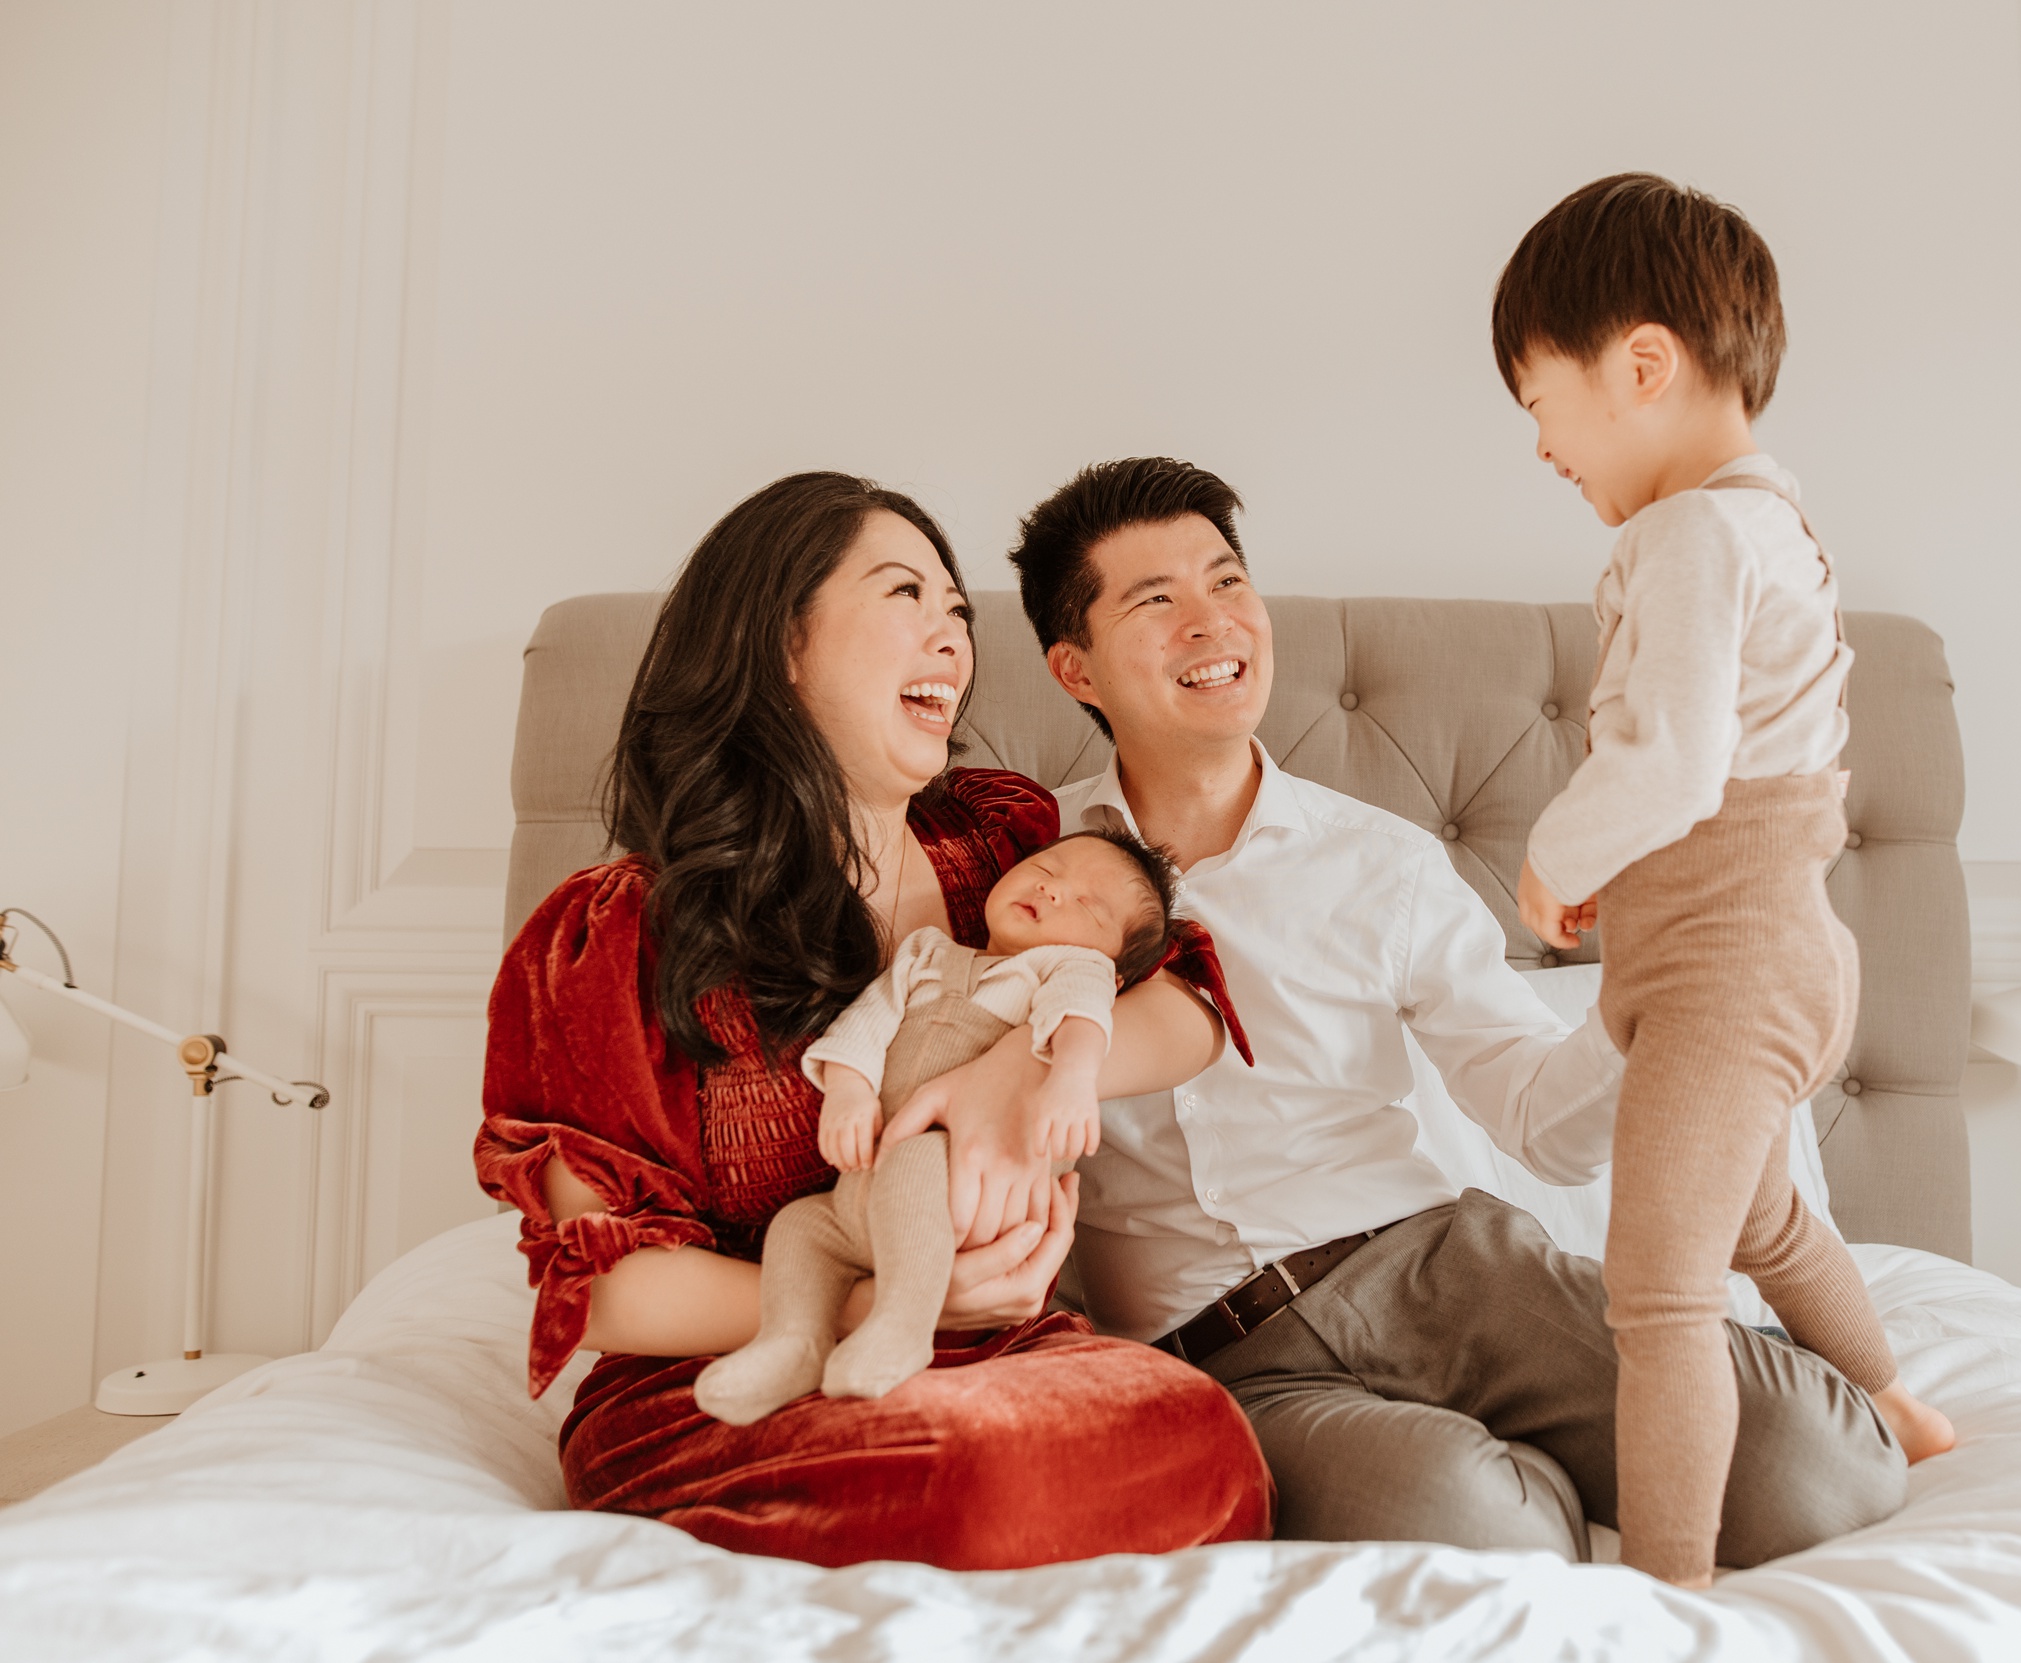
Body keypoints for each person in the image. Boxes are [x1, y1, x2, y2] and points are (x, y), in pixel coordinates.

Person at [900, 452, 1905, 1572]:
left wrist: (1650, 999)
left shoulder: (1380, 860)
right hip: (1228, 1353)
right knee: (1483, 1531)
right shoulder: (1018, 873)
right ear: (1073, 667)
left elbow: (1545, 1128)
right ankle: (1542, 1460)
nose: (1211, 621)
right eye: (1157, 600)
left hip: (1448, 1267)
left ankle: (1689, 1384)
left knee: (1824, 1475)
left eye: (1226, 582)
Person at [472, 471, 1270, 1572]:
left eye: (957, 611)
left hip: (999, 1345)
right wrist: (880, 1298)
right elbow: (608, 1289)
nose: (951, 638)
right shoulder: (613, 936)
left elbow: (1182, 996)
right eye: (907, 596)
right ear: (783, 641)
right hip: (734, 1378)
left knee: (1202, 1435)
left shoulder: (1001, 849)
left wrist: (1014, 1077)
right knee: (979, 1470)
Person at [1492, 172, 1956, 1585]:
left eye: (1541, 404)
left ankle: (1674, 1580)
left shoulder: (1693, 531)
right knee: (1759, 1218)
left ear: (1640, 364)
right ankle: (1898, 1404)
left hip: (1730, 969)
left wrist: (1552, 859)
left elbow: (1675, 764)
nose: (1541, 448)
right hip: (1745, 953)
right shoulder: (1770, 523)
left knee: (1662, 1289)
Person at [694, 828, 1186, 1421]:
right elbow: (867, 1024)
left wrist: (1071, 1080)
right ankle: (794, 1342)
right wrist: (849, 1091)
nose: (1054, 891)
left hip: (970, 1197)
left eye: (1088, 903)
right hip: (865, 1198)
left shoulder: (1070, 968)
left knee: (915, 1159)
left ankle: (902, 1325)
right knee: (801, 1227)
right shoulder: (927, 952)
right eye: (1048, 868)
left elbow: (1082, 1020)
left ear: (1114, 972)